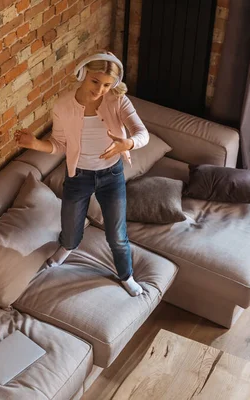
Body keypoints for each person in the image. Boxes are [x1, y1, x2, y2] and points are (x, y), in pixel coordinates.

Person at [14, 51, 149, 297]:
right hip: (79, 177)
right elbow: (59, 144)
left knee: (117, 235)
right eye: (95, 81)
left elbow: (142, 133)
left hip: (112, 176)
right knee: (71, 231)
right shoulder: (63, 105)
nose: (100, 90)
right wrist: (35, 144)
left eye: (107, 85)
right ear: (83, 73)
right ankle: (67, 248)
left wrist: (126, 144)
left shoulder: (118, 101)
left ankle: (126, 275)